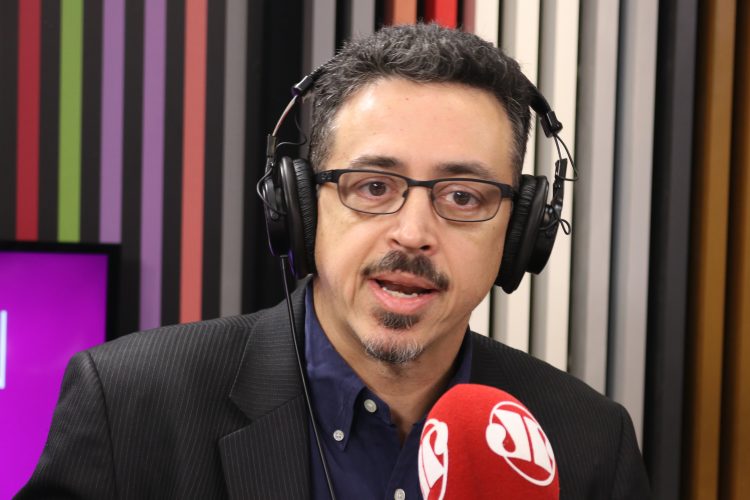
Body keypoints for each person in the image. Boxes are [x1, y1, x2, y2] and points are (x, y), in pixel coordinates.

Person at [18, 23, 650, 499]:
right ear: (300, 207)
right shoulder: (131, 405)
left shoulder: (588, 441)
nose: (413, 233)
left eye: (463, 196)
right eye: (373, 186)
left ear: (522, 230)